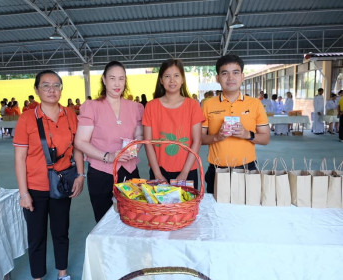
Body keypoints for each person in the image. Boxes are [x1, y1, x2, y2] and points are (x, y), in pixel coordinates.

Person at [14, 70, 84, 280]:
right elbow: (19, 158)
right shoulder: (27, 118)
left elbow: (78, 148)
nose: (51, 90)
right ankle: (38, 277)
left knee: (61, 231)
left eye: (56, 85)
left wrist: (81, 175)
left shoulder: (70, 114)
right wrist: (23, 193)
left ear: (61, 89)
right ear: (36, 90)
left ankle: (62, 273)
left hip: (62, 183)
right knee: (36, 237)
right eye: (46, 85)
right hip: (34, 187)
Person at [74, 61, 144, 223]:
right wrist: (109, 156)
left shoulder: (135, 107)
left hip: (129, 170)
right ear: (104, 80)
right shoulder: (92, 106)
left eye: (121, 78)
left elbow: (139, 135)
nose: (117, 83)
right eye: (112, 78)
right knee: (104, 221)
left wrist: (132, 149)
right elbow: (81, 142)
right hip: (101, 173)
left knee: (133, 218)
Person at [201, 54, 270, 194]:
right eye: (225, 73)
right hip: (217, 169)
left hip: (247, 168)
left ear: (242, 77)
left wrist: (247, 134)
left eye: (235, 73)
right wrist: (216, 137)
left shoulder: (255, 104)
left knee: (246, 210)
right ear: (217, 78)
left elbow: (266, 138)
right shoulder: (207, 104)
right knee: (216, 212)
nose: (230, 78)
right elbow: (200, 138)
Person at [142, 58, 204, 189]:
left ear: (182, 80)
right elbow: (148, 143)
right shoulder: (151, 106)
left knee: (186, 209)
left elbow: (197, 141)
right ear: (161, 80)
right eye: (167, 76)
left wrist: (185, 173)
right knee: (159, 209)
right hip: (158, 170)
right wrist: (157, 174)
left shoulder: (193, 105)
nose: (172, 80)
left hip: (187, 170)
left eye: (176, 76)